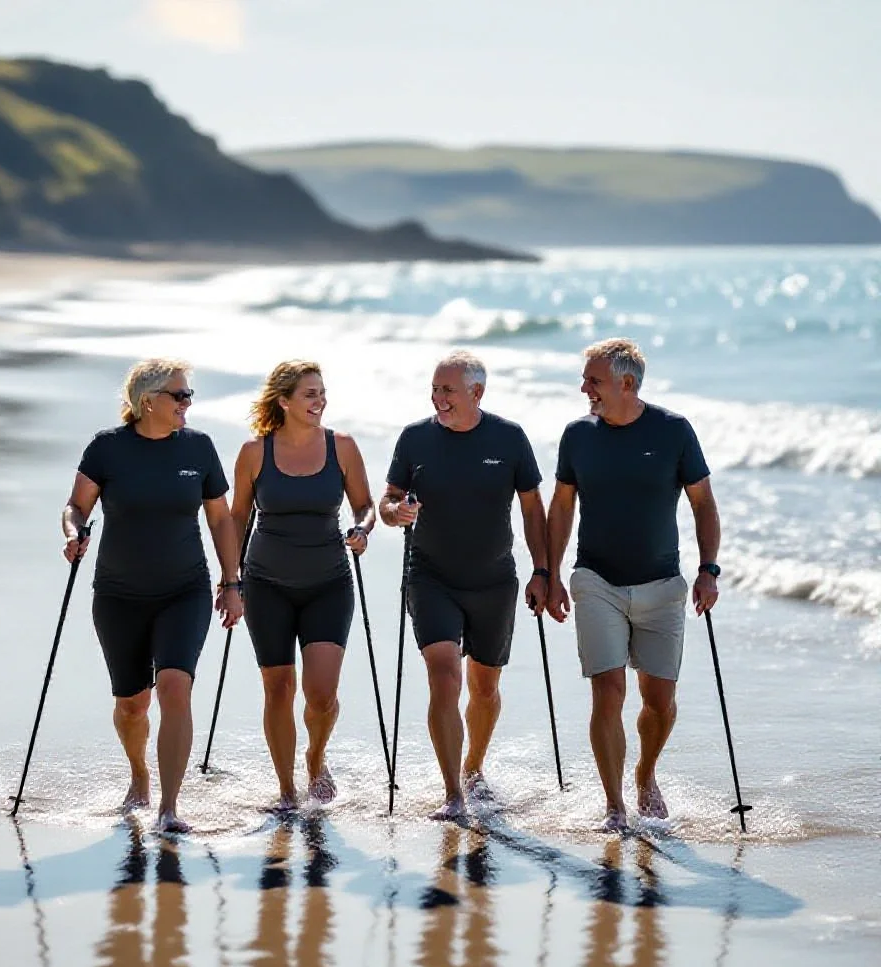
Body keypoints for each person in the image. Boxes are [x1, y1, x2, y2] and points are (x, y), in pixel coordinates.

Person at [545, 338, 720, 831]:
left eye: (593, 381)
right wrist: (550, 573)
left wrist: (709, 569)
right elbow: (562, 506)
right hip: (595, 580)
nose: (585, 389)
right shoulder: (577, 436)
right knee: (608, 689)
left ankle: (645, 774)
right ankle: (615, 806)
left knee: (659, 700)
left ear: (626, 383)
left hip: (662, 584)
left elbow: (703, 503)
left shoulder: (674, 431)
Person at [62, 358, 242, 834]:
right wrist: (73, 533)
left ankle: (169, 806)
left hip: (184, 590)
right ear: (148, 401)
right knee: (132, 705)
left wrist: (232, 582)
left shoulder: (199, 449)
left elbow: (221, 519)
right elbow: (77, 507)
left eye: (189, 396)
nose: (187, 404)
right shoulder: (107, 448)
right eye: (178, 396)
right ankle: (139, 774)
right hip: (119, 596)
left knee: (175, 687)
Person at [380, 350, 549, 820]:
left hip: (494, 581)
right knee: (443, 677)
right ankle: (453, 792)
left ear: (477, 392)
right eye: (434, 389)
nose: (438, 398)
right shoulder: (415, 439)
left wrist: (543, 571)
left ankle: (474, 768)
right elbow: (388, 502)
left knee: (485, 688)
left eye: (447, 390)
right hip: (431, 576)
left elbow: (533, 509)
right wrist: (396, 514)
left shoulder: (510, 438)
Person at [231, 360, 375, 812]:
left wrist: (362, 529)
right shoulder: (254, 453)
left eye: (322, 393)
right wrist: (229, 578)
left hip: (328, 583)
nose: (320, 401)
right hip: (266, 584)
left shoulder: (343, 447)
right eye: (310, 394)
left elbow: (365, 505)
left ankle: (315, 758)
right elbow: (237, 517)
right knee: (277, 687)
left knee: (322, 695)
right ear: (284, 401)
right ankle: (287, 789)